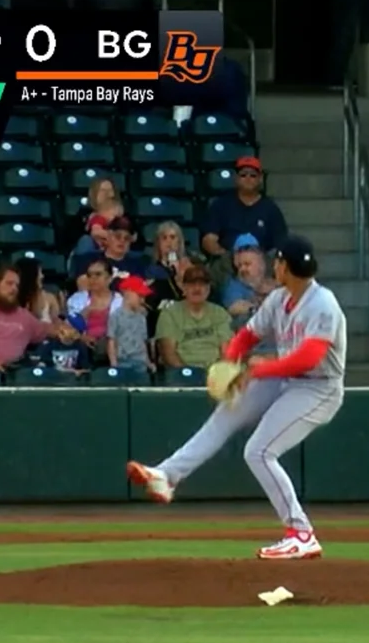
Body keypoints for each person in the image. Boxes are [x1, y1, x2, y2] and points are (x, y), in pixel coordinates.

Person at [126, 236, 345, 561]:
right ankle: (167, 475)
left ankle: (301, 534)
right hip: (284, 379)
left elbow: (309, 358)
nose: (274, 266)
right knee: (225, 415)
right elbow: (246, 336)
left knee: (259, 452)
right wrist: (230, 363)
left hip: (318, 389)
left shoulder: (322, 303)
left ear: (285, 266)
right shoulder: (279, 298)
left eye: (278, 261)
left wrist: (259, 369)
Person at [155, 266, 232, 369]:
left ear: (208, 289)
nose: (197, 288)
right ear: (184, 288)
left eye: (202, 284)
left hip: (215, 371)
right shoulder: (169, 314)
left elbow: (226, 351)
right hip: (181, 372)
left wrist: (217, 372)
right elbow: (169, 355)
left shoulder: (220, 313)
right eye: (192, 284)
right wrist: (188, 373)